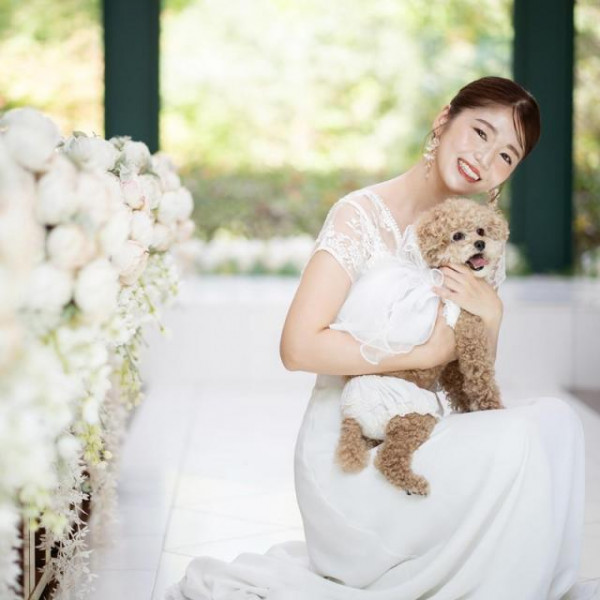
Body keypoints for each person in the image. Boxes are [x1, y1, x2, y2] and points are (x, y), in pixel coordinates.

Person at [166, 76, 599, 600]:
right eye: (480, 132)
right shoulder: (361, 217)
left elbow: (471, 383)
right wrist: (420, 354)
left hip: (425, 425)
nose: (485, 159)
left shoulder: (480, 244)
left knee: (557, 424)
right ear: (444, 120)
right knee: (517, 439)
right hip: (353, 450)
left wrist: (492, 315)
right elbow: (297, 347)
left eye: (507, 155)